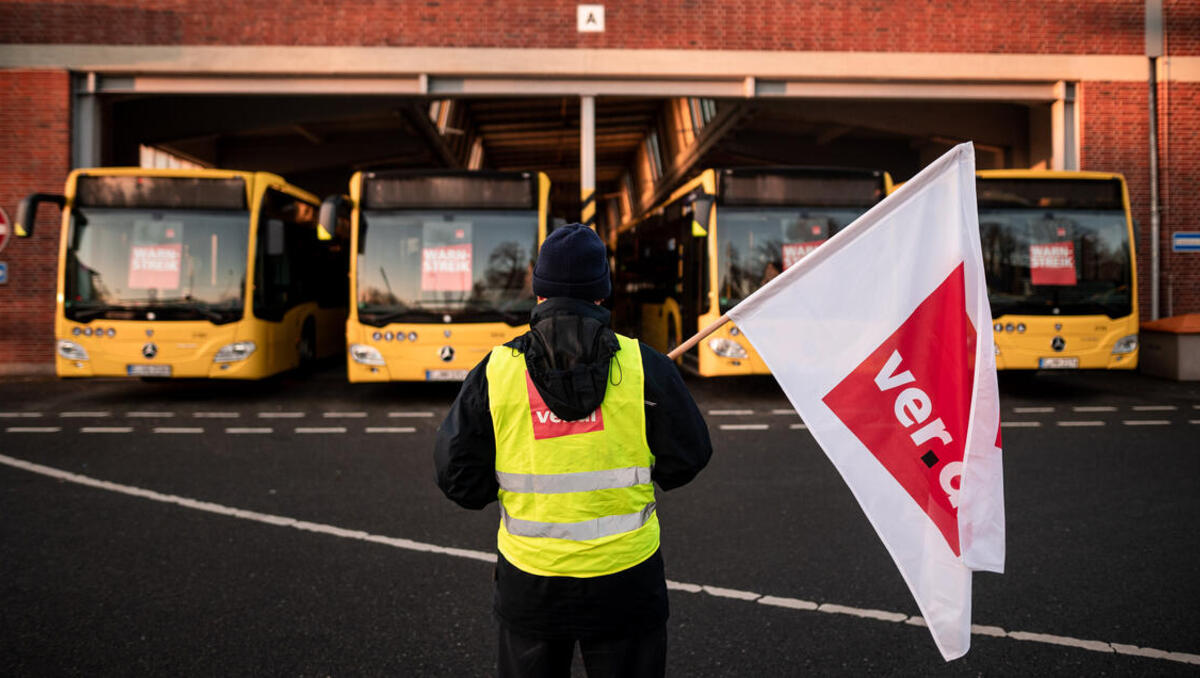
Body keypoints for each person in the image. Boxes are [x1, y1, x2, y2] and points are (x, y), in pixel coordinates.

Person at [434, 223, 712, 678]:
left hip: (530, 584)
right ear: (602, 293)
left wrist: (507, 485)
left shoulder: (496, 370)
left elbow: (458, 478)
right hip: (626, 583)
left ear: (538, 292)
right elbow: (689, 458)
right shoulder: (645, 366)